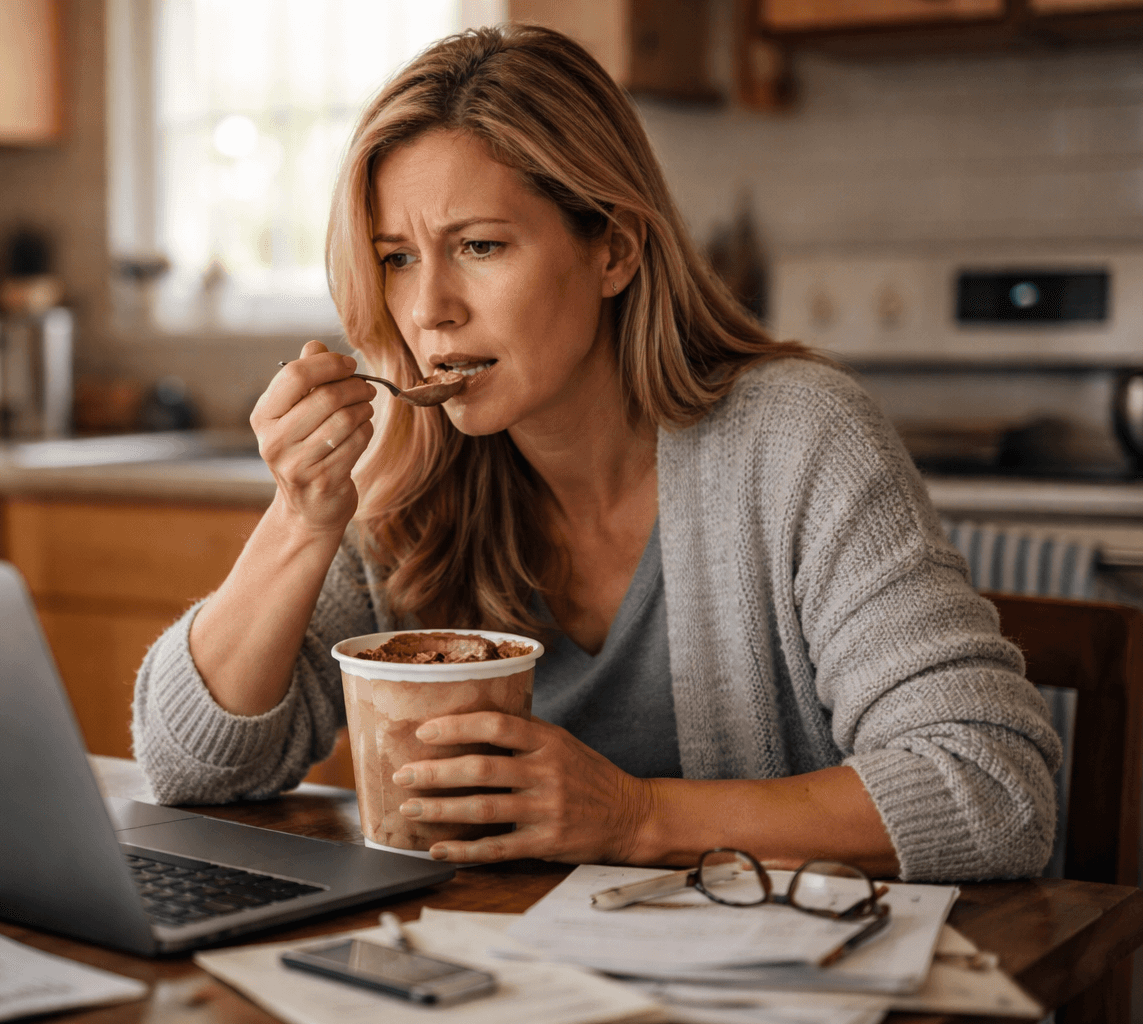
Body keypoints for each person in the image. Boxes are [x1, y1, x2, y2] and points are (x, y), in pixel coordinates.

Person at [132, 24, 1059, 882]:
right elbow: (188, 766)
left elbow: (993, 788)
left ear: (612, 251)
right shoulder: (409, 472)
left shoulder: (796, 441)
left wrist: (633, 817)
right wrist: (299, 520)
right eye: (397, 258)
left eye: (479, 246)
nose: (427, 310)